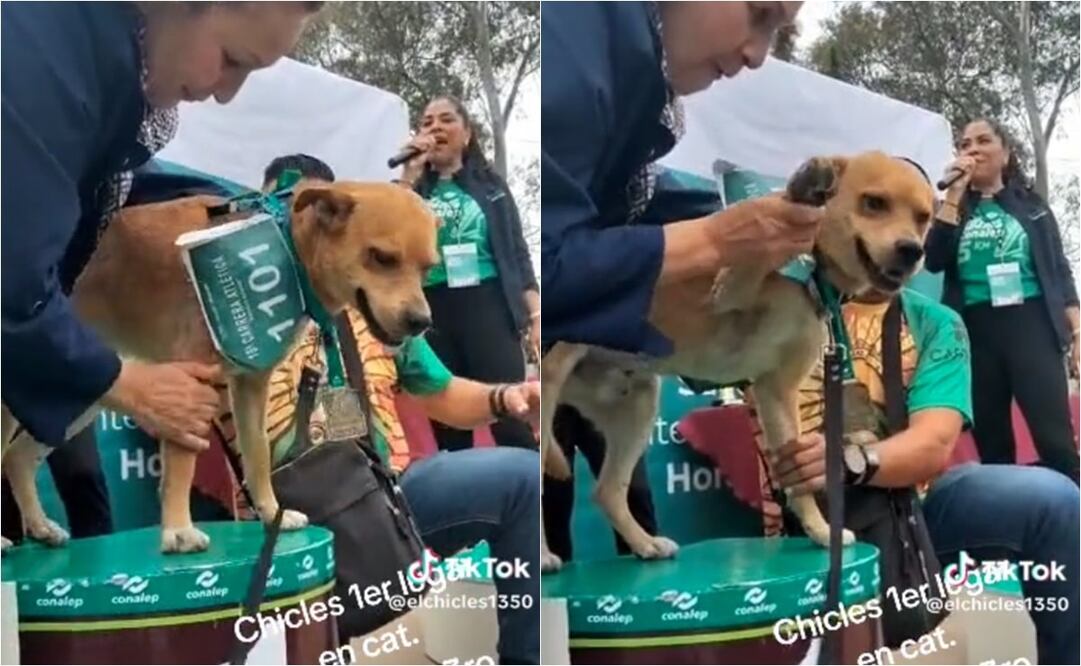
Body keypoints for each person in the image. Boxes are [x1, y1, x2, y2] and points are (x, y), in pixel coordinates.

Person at [232, 156, 541, 664]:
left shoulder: (380, 305)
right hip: (274, 520)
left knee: (523, 479)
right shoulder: (234, 310)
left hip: (384, 500)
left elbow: (440, 393)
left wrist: (505, 398)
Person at [540, 1, 812, 562]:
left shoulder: (630, 72)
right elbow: (553, 263)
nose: (757, 55)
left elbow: (621, 209)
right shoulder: (575, 32)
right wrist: (714, 241)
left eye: (778, 33)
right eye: (760, 14)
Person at [1, 2, 322, 456]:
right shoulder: (40, 52)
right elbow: (12, 284)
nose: (227, 93)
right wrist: (126, 384)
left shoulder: (104, 78)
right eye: (232, 59)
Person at [761, 287, 1079, 665]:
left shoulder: (934, 321)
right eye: (876, 221)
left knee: (1056, 502)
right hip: (789, 526)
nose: (907, 239)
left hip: (908, 514)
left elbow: (933, 443)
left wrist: (845, 462)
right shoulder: (770, 300)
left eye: (922, 223)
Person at [924, 118, 1079, 483]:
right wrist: (954, 198)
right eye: (964, 144)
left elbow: (1060, 271)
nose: (972, 149)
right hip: (975, 331)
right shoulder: (954, 207)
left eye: (982, 141)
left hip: (1031, 325)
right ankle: (1008, 529)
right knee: (993, 447)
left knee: (1054, 440)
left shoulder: (1032, 207)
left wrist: (1077, 330)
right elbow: (934, 259)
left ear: (1005, 152)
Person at [396, 96, 540, 453]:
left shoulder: (491, 188)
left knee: (512, 415)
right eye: (427, 123)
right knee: (448, 423)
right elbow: (388, 231)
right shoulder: (412, 191)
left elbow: (517, 254)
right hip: (432, 309)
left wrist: (536, 314)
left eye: (446, 120)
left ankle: (526, 496)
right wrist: (409, 175)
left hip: (487, 304)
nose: (435, 128)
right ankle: (465, 502)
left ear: (467, 134)